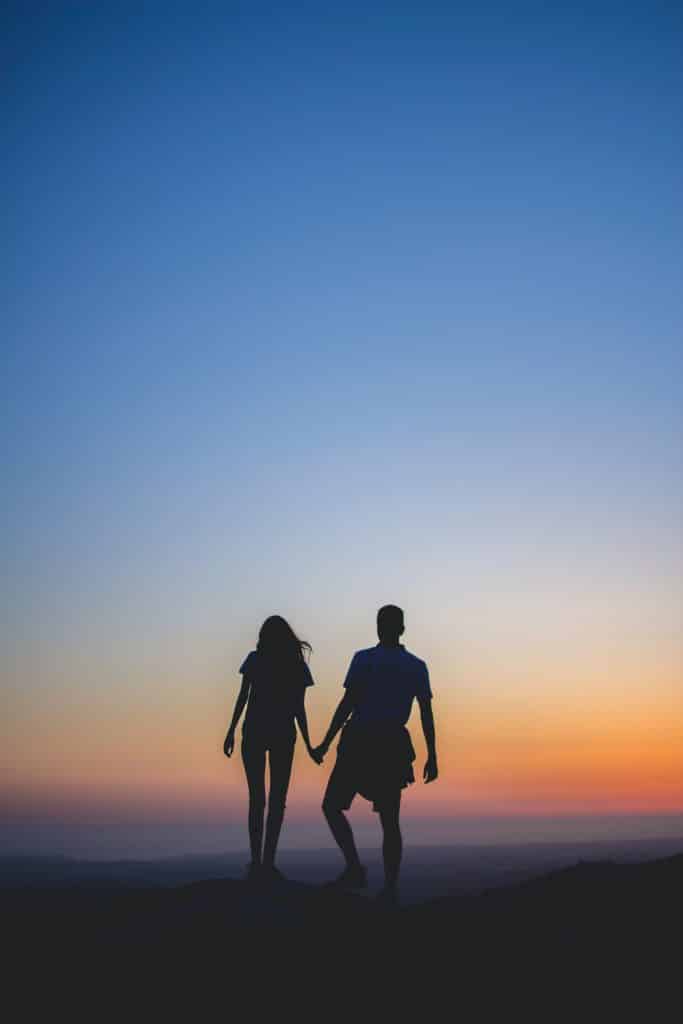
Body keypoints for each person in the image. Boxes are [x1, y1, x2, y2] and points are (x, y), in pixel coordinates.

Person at [314, 605, 437, 903]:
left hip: (363, 740)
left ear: (379, 627)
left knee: (334, 806)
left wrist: (326, 743)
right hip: (387, 744)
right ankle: (388, 886)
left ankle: (357, 870)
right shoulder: (415, 665)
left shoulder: (364, 659)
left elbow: (347, 704)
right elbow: (425, 714)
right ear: (402, 629)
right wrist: (432, 755)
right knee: (388, 820)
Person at [224, 615, 321, 882]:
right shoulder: (296, 667)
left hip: (254, 731)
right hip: (282, 735)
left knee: (257, 800)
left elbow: (243, 697)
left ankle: (258, 863)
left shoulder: (255, 660)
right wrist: (309, 744)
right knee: (277, 801)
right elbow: (299, 709)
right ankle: (267, 863)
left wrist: (231, 730)